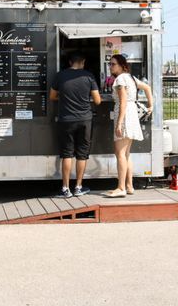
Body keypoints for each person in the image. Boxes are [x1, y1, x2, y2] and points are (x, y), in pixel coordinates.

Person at [49, 53, 101, 198]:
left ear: (70, 62)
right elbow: (97, 101)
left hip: (66, 120)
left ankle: (65, 189)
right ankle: (78, 187)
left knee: (67, 154)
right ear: (83, 61)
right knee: (82, 155)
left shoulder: (60, 76)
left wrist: (64, 97)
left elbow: (52, 96)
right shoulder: (89, 76)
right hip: (85, 119)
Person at [105, 54, 153, 198]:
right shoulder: (131, 77)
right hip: (132, 114)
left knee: (119, 153)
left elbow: (123, 101)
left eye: (113, 64)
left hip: (124, 114)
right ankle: (129, 185)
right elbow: (147, 88)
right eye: (110, 64)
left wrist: (119, 123)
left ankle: (121, 188)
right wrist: (150, 105)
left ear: (121, 65)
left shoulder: (120, 79)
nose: (110, 67)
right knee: (126, 154)